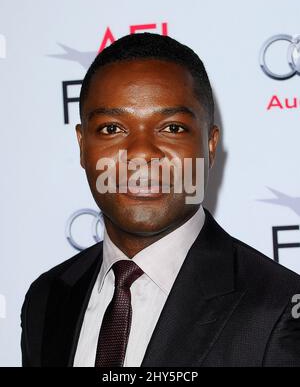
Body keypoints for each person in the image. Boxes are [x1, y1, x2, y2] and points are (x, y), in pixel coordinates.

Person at [21, 33, 300, 367]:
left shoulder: (279, 309)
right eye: (112, 128)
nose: (140, 154)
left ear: (210, 146)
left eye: (172, 128)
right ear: (82, 146)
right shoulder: (47, 298)